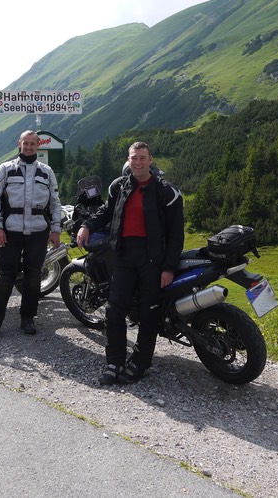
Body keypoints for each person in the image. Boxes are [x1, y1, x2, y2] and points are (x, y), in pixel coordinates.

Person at [76, 141, 184, 385]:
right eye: (134, 158)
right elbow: (105, 212)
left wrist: (168, 267)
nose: (138, 162)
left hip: (152, 260)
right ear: (129, 160)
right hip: (123, 256)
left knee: (148, 315)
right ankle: (114, 361)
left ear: (151, 160)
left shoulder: (166, 192)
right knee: (114, 311)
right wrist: (86, 226)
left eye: (142, 158)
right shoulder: (119, 187)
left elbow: (177, 234)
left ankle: (140, 363)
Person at [0, 130, 63, 339]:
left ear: (38, 146)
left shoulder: (47, 172)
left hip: (38, 231)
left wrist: (55, 229)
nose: (29, 147)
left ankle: (28, 318)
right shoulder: (5, 169)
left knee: (33, 276)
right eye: (25, 143)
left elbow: (55, 203)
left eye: (32, 144)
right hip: (10, 230)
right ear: (19, 144)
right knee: (4, 276)